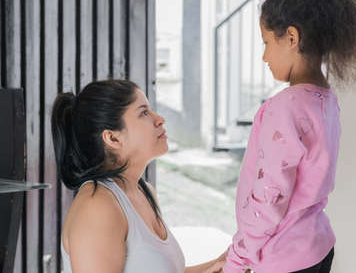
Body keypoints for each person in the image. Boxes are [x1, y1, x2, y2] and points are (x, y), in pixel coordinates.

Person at [222, 0, 356, 272]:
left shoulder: (284, 108)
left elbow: (270, 197)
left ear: (292, 38)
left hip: (282, 259)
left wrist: (237, 258)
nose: (264, 56)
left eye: (266, 42)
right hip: (317, 247)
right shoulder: (325, 99)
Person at [51, 79, 225, 273]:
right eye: (144, 112)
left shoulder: (144, 191)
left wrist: (221, 264)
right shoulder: (98, 207)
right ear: (113, 138)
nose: (159, 119)